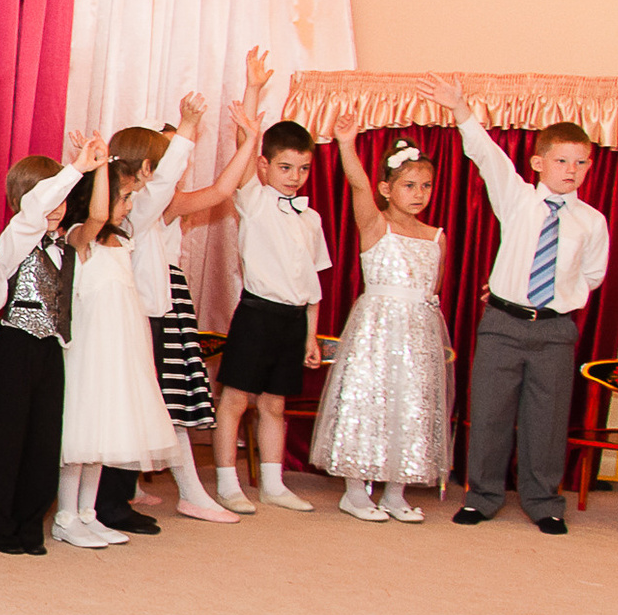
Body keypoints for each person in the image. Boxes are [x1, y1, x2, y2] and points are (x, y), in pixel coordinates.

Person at [422, 75, 611, 533]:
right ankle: (481, 496)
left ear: (589, 166)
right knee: (489, 413)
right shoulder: (518, 199)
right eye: (561, 160)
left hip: (554, 331)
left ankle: (544, 501)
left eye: (581, 162)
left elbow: (593, 275)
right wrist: (460, 109)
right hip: (502, 325)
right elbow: (487, 156)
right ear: (538, 162)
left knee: (546, 420)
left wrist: (553, 300)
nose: (571, 169)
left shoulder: (592, 221)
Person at [94, 75, 268, 525]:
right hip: (138, 312)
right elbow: (184, 184)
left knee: (155, 403)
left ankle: (123, 494)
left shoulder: (149, 208)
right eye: (163, 157)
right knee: (142, 403)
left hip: (157, 309)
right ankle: (123, 499)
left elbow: (220, 190)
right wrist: (189, 128)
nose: (173, 166)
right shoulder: (139, 208)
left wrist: (248, 139)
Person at [310, 115, 451, 521]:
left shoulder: (435, 235)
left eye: (425, 185)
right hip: (378, 328)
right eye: (409, 185)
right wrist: (346, 143)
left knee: (411, 405)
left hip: (418, 332)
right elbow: (357, 184)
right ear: (387, 188)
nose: (419, 193)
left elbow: (432, 288)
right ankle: (355, 492)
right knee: (369, 402)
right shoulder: (375, 224)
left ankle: (396, 491)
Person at [0, 139, 109, 555]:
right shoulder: (16, 237)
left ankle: (31, 524)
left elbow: (99, 215)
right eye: (50, 196)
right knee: (9, 439)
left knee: (43, 440)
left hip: (51, 348)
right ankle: (1, 528)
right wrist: (72, 168)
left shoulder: (66, 245)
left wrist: (95, 167)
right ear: (22, 200)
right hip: (15, 344)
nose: (57, 207)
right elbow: (36, 210)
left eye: (63, 199)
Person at [53, 156, 182, 549]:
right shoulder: (78, 233)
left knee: (104, 434)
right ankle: (65, 515)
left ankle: (88, 513)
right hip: (89, 346)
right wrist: (99, 169)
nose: (128, 205)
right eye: (123, 197)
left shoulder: (123, 240)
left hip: (120, 346)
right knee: (82, 432)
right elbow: (95, 219)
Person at [212, 118, 330, 514]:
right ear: (264, 166)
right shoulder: (255, 200)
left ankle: (273, 483)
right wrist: (254, 91)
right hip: (257, 315)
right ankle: (228, 484)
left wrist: (310, 336)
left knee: (274, 405)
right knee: (234, 400)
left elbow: (312, 286)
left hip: (293, 321)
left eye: (303, 168)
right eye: (285, 167)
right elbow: (246, 142)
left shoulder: (311, 219)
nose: (295, 177)